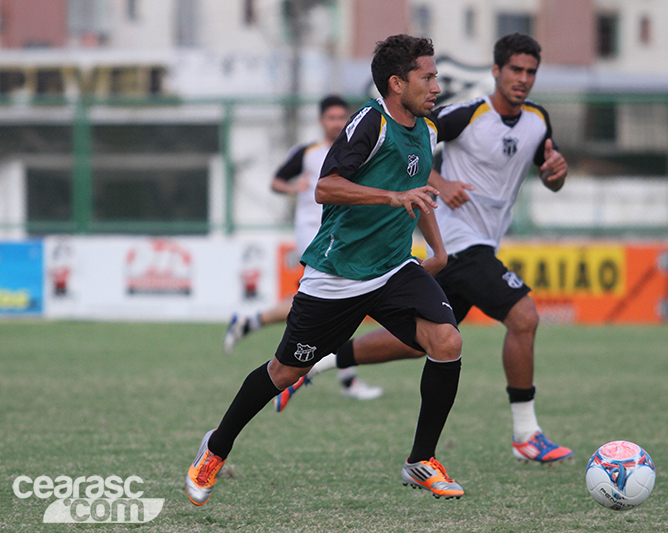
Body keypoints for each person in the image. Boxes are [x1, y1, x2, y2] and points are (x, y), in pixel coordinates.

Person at [186, 34, 465, 506]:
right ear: (397, 83)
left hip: (394, 266)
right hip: (338, 273)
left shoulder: (427, 128)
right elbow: (326, 187)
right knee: (284, 371)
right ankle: (214, 448)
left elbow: (419, 192)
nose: (436, 85)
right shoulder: (368, 124)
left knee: (445, 341)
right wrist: (391, 197)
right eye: (428, 77)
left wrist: (436, 251)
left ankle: (422, 460)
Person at [276, 33, 573, 465]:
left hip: (476, 245)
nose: (523, 79)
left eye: (531, 72)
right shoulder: (465, 115)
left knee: (426, 343)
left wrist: (555, 175)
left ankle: (313, 367)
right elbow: (411, 148)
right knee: (524, 316)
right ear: (496, 71)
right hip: (457, 239)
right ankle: (527, 434)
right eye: (515, 70)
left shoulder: (538, 121)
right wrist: (442, 183)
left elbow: (552, 176)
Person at [223, 95, 383, 402]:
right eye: (331, 118)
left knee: (318, 304)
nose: (337, 122)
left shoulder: (357, 149)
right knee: (339, 303)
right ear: (322, 121)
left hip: (342, 237)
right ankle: (344, 378)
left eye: (341, 117)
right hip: (315, 238)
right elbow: (276, 181)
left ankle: (249, 323)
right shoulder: (308, 153)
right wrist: (292, 188)